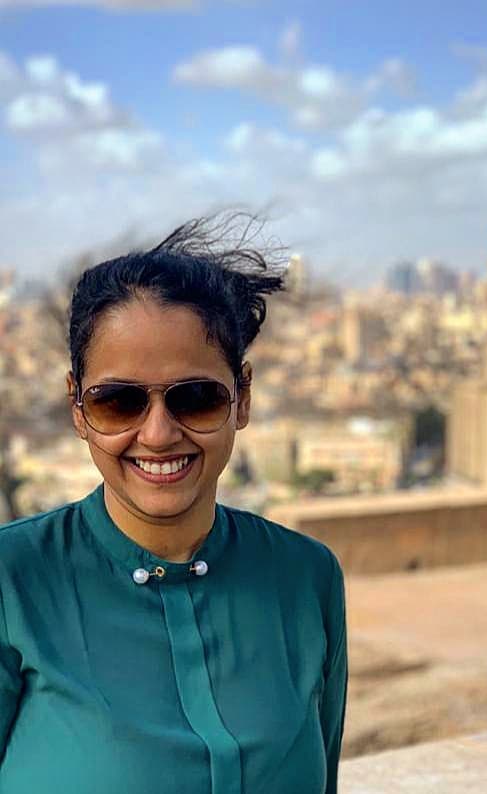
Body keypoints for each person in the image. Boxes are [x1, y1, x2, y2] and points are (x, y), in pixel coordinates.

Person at [0, 215, 348, 794]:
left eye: (196, 398)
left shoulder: (306, 579)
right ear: (77, 409)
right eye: (118, 403)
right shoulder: (15, 581)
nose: (158, 434)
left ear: (242, 399)